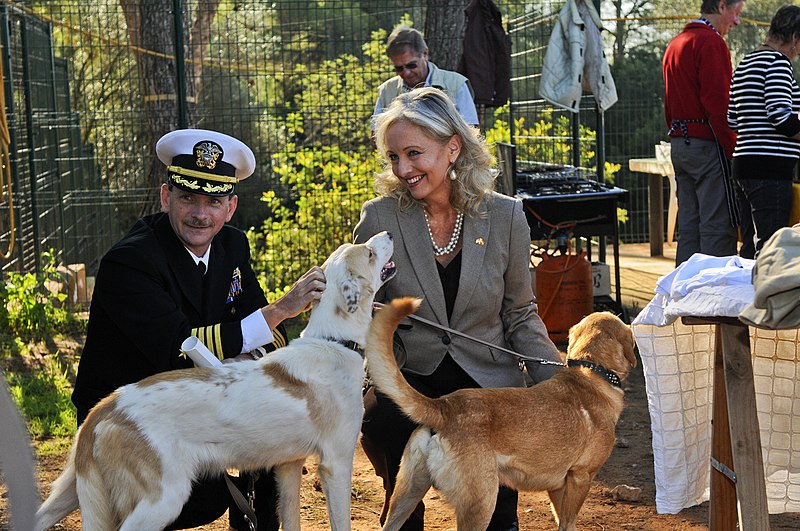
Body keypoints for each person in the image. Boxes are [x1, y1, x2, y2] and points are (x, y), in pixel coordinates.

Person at [72, 129, 326, 531]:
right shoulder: (131, 261)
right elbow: (180, 346)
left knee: (271, 416)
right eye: (188, 197)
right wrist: (281, 310)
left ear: (231, 207)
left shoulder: (232, 246)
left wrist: (252, 353)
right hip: (126, 417)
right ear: (165, 197)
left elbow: (268, 333)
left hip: (187, 402)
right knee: (189, 500)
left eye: (213, 201)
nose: (199, 214)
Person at [354, 87, 562, 531]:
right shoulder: (380, 218)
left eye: (414, 153)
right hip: (413, 378)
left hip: (489, 383)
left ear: (452, 148)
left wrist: (556, 382)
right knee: (393, 455)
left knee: (496, 520)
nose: (402, 169)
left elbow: (520, 314)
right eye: (393, 157)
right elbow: (357, 309)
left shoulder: (506, 217)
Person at [662, 0, 746, 266]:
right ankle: (713, 300)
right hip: (708, 143)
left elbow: (669, 103)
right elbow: (719, 106)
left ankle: (683, 297)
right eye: (736, 12)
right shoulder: (710, 42)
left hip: (679, 142)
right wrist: (734, 150)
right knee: (717, 226)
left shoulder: (676, 43)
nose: (737, 21)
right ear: (722, 6)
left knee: (689, 226)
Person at [728, 5, 800, 259]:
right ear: (793, 37)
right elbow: (780, 116)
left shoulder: (745, 62)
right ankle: (764, 300)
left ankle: (744, 298)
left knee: (749, 249)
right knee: (770, 251)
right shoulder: (778, 63)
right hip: (770, 168)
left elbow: (732, 119)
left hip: (744, 165)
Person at [374, 25, 479, 128]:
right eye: (399, 68)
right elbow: (376, 136)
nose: (406, 73)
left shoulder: (455, 84)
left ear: (425, 54)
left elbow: (471, 129)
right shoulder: (387, 90)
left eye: (411, 65)